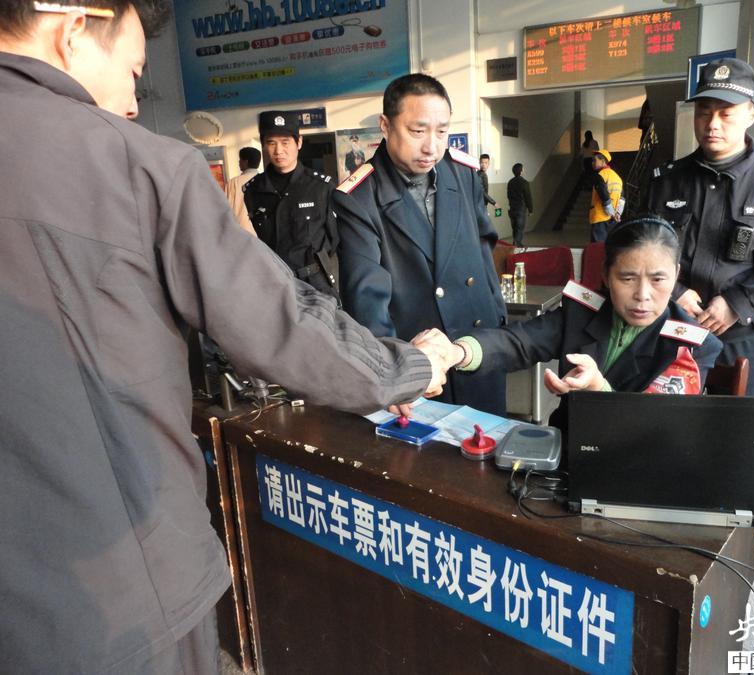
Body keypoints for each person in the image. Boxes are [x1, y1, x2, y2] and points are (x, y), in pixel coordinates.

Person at [0, 3, 454, 672]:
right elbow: (272, 316)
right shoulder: (137, 165)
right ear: (70, 31)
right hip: (123, 585)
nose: (133, 102)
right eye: (134, 72)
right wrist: (408, 366)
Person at [415, 216, 723, 432]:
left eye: (658, 280)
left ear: (676, 274)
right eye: (627, 278)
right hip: (565, 458)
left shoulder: (692, 345)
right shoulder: (582, 313)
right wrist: (457, 352)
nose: (643, 295)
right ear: (606, 276)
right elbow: (519, 341)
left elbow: (658, 428)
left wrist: (598, 389)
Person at [335, 73, 508, 415]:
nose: (431, 146)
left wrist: (497, 317)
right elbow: (366, 298)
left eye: (441, 131)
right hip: (419, 365)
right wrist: (393, 376)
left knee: (490, 436)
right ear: (386, 126)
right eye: (418, 131)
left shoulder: (463, 174)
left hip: (476, 345)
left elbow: (484, 244)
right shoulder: (359, 197)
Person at [647, 57, 754, 396]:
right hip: (674, 328)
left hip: (744, 336)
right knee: (666, 424)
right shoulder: (667, 181)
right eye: (704, 112)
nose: (712, 124)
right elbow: (642, 246)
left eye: (726, 114)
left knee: (740, 426)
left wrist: (737, 303)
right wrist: (675, 291)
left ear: (752, 114)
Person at [244, 110, 339, 298]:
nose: (279, 150)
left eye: (285, 142)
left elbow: (335, 240)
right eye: (271, 143)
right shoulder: (254, 190)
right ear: (264, 145)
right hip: (275, 285)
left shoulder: (320, 187)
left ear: (299, 142)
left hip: (316, 285)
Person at [224, 146, 261, 235]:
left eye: (240, 159)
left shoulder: (234, 182)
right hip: (261, 232)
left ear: (246, 161)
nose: (239, 162)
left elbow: (226, 208)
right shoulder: (265, 180)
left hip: (241, 231)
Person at [589, 148, 623, 242]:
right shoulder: (617, 177)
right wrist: (617, 213)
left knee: (598, 248)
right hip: (613, 220)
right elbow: (622, 198)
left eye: (595, 160)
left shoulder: (600, 175)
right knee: (609, 246)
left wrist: (610, 212)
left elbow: (603, 192)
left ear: (603, 161)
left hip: (600, 217)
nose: (592, 163)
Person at [506, 162, 533, 247]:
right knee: (519, 228)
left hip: (512, 208)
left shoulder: (510, 182)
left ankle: (516, 243)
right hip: (520, 208)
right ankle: (517, 244)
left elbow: (508, 195)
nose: (524, 170)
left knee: (514, 228)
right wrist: (530, 209)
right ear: (521, 171)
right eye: (523, 169)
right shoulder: (524, 182)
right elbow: (528, 197)